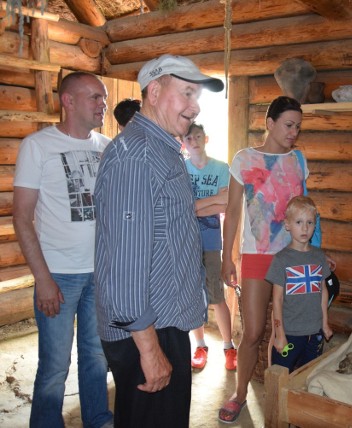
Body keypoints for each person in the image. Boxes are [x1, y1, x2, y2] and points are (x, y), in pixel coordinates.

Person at [94, 54, 223, 428]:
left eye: (196, 95)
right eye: (186, 93)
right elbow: (124, 265)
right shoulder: (136, 157)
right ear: (154, 91)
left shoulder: (162, 149)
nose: (195, 105)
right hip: (147, 329)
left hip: (163, 321)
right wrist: (149, 349)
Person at [13, 71, 113, 428]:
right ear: (67, 101)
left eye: (103, 98)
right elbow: (22, 217)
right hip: (58, 274)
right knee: (55, 365)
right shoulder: (38, 146)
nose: (103, 104)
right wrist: (42, 279)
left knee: (97, 357)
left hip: (100, 273)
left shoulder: (106, 147)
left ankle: (98, 418)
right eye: (95, 98)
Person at [218, 96, 308, 423]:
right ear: (269, 124)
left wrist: (316, 252)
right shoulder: (244, 159)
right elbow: (231, 211)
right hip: (256, 256)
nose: (293, 131)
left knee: (288, 329)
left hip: (292, 257)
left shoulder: (299, 160)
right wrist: (228, 258)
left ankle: (280, 391)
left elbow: (308, 210)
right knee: (254, 330)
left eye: (298, 126)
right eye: (288, 124)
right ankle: (240, 392)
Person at [182, 122, 237, 371]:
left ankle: (229, 346)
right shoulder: (181, 167)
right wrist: (211, 201)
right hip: (185, 241)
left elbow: (226, 204)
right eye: (189, 138)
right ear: (183, 143)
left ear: (206, 138)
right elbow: (181, 207)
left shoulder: (221, 167)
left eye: (198, 136)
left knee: (216, 293)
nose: (194, 141)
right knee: (194, 295)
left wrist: (196, 205)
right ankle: (201, 345)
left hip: (212, 241)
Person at [266, 196, 333, 372]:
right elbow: (277, 300)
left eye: (310, 223)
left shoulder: (319, 256)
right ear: (287, 224)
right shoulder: (281, 260)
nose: (305, 228)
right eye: (299, 222)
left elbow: (323, 291)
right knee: (279, 376)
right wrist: (280, 335)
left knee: (308, 376)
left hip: (314, 333)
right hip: (290, 334)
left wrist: (324, 323)